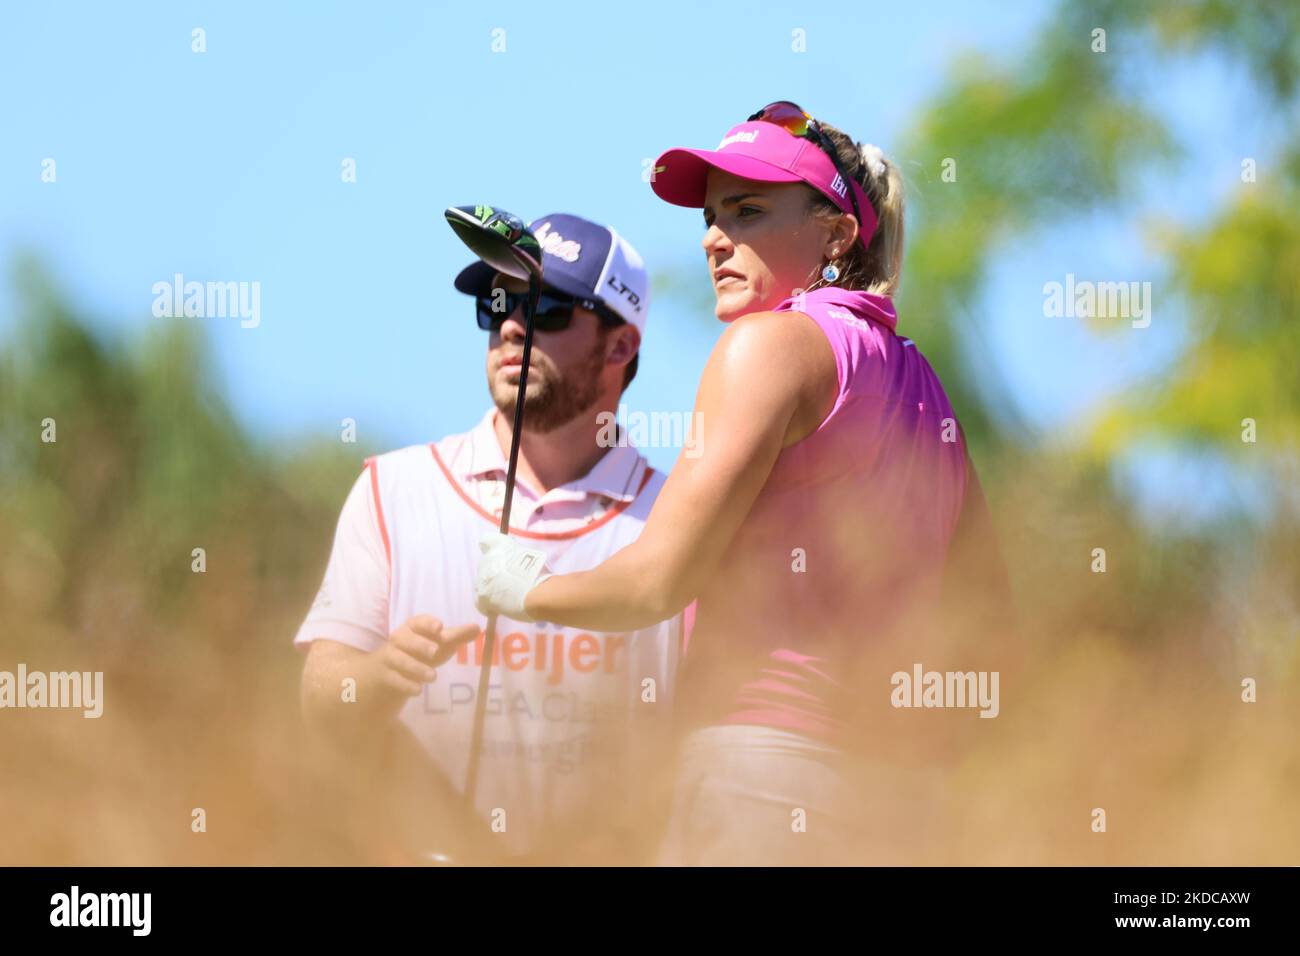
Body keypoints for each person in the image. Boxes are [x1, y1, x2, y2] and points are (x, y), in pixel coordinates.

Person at [475, 103, 1015, 865]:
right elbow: (994, 632)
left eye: (750, 211)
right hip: (906, 806)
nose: (714, 238)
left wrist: (526, 588)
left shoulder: (767, 346)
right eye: (712, 215)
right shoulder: (926, 387)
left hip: (760, 779)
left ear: (837, 233)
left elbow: (657, 582)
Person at [295, 213, 682, 864]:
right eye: (496, 303)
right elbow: (322, 698)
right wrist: (378, 675)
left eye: (547, 309)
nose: (510, 325)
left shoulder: (679, 520)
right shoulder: (394, 489)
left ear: (620, 346)